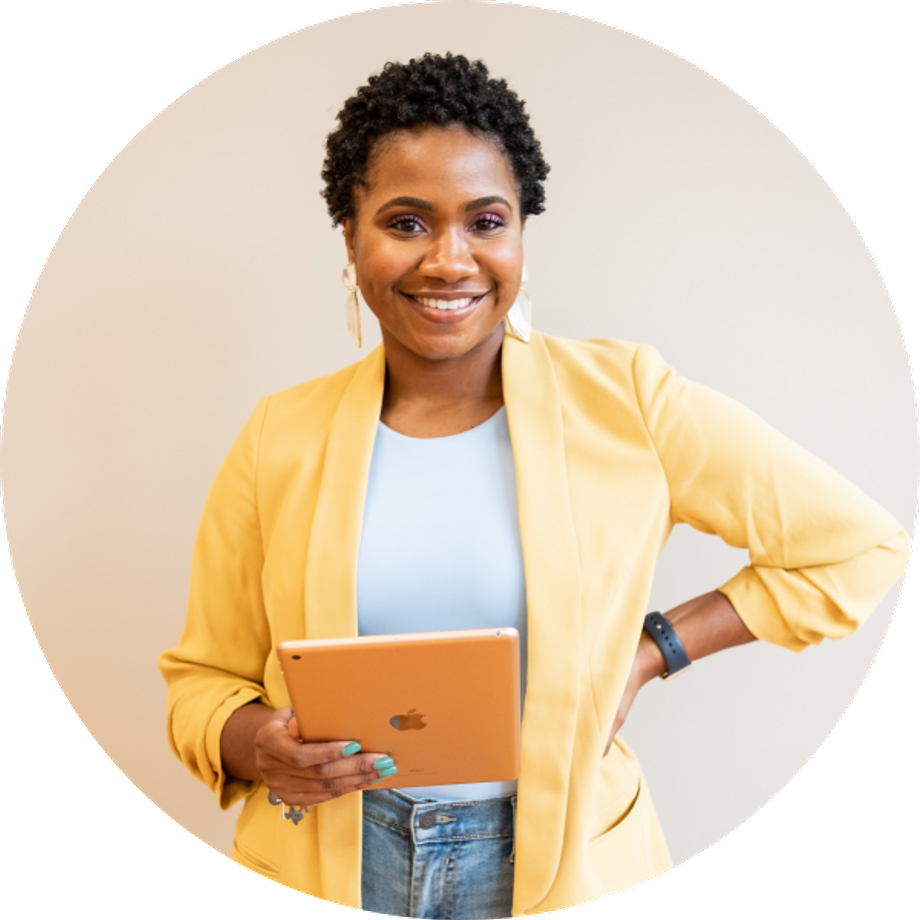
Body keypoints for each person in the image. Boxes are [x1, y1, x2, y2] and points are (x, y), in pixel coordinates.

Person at [159, 54, 909, 916]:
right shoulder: (277, 437)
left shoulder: (628, 399)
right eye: (406, 223)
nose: (450, 259)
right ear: (350, 235)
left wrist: (654, 650)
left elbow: (857, 547)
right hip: (327, 858)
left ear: (520, 234)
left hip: (564, 863)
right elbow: (201, 682)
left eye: (486, 220)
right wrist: (258, 743)